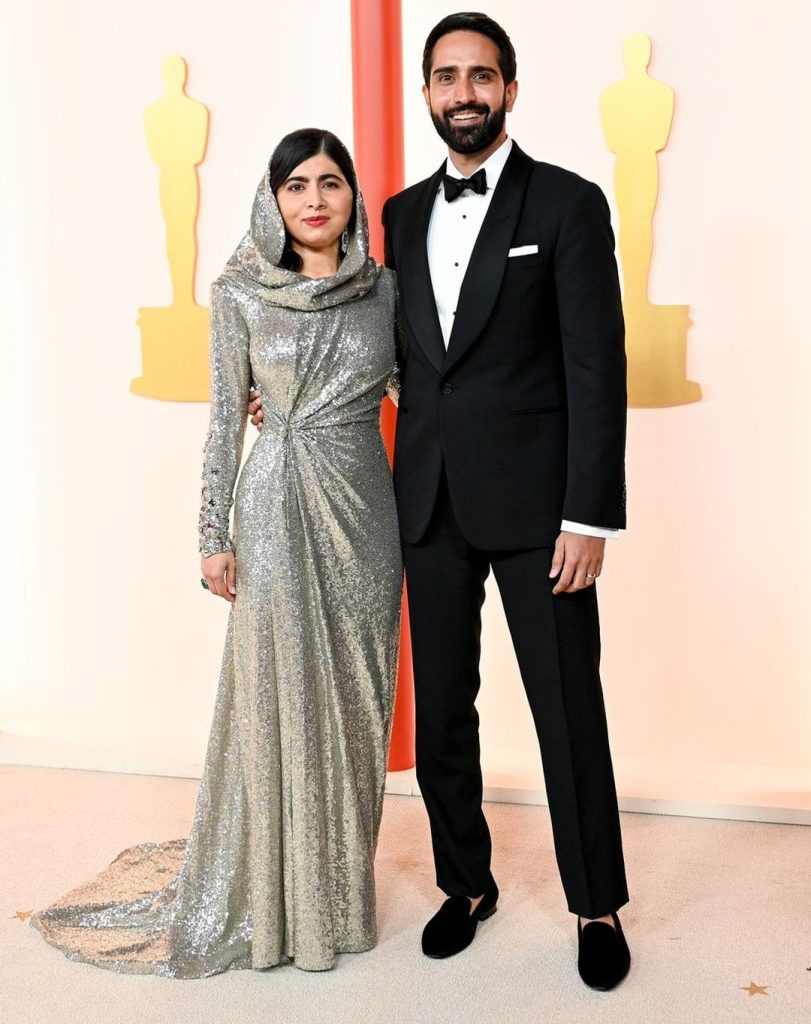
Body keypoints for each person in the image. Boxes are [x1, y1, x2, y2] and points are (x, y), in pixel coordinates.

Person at [251, 11, 633, 991]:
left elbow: (596, 367)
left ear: (508, 88)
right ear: (427, 93)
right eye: (445, 76)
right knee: (443, 716)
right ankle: (466, 884)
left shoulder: (568, 206)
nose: (462, 91)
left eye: (480, 75)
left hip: (542, 511)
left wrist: (587, 513)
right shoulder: (401, 213)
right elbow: (382, 347)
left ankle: (595, 903)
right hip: (421, 499)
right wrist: (281, 380)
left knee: (567, 706)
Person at [30, 129, 403, 976]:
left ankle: (339, 897)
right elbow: (223, 418)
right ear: (270, 199)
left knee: (354, 703)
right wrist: (211, 535)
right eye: (296, 185)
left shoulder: (385, 293)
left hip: (365, 515)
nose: (315, 199)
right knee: (278, 695)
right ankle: (277, 904)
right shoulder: (237, 293)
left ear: (353, 197)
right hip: (272, 505)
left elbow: (419, 399)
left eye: (332, 183)